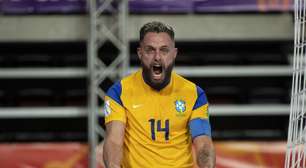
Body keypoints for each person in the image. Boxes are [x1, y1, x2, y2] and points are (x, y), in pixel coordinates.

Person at [102, 21, 215, 168]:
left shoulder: (194, 94)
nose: (157, 57)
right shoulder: (119, 93)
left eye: (164, 50)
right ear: (140, 53)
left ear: (174, 54)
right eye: (150, 50)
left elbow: (203, 143)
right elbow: (114, 141)